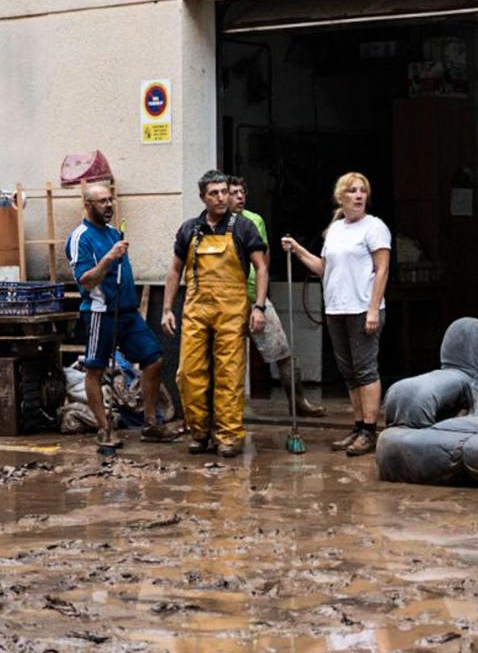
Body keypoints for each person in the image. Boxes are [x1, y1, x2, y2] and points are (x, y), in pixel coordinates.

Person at [281, 172, 391, 458]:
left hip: (362, 308)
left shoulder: (375, 227)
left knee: (365, 369)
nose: (358, 196)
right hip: (336, 308)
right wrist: (298, 250)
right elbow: (323, 269)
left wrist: (372, 309)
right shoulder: (335, 230)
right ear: (341, 197)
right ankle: (357, 426)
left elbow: (382, 269)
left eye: (362, 191)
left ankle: (370, 430)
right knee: (349, 371)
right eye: (352, 191)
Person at [161, 170, 270, 458]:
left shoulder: (244, 227)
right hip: (196, 309)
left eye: (224, 191)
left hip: (232, 310)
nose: (222, 197)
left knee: (229, 373)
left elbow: (261, 267)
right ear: (203, 197)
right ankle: (199, 432)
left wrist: (258, 306)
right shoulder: (189, 229)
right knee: (189, 373)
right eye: (214, 193)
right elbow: (174, 270)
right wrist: (166, 309)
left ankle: (228, 436)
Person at [66, 182, 169, 450]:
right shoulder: (80, 238)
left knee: (154, 359)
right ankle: (104, 429)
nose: (109, 205)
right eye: (102, 201)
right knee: (95, 369)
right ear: (88, 205)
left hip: (128, 311)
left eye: (110, 200)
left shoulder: (113, 232)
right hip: (102, 312)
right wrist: (110, 258)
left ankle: (150, 424)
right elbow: (86, 281)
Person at [228, 175, 325, 418]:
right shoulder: (215, 224)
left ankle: (298, 401)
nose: (239, 197)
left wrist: (261, 295)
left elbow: (264, 259)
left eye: (242, 192)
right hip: (227, 298)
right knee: (226, 358)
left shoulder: (254, 220)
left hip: (254, 295)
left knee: (281, 350)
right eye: (234, 192)